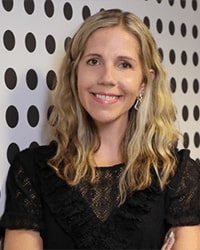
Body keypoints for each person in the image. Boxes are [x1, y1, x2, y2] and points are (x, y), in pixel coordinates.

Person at [0, 8, 200, 250]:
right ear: (75, 73)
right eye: (94, 61)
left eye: (124, 64)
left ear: (144, 83)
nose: (107, 77)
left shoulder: (178, 174)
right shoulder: (30, 172)